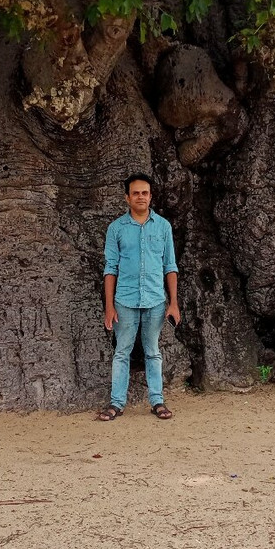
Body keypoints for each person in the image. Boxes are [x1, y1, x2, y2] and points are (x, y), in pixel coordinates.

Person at [99, 173, 180, 421]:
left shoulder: (163, 226)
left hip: (156, 300)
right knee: (121, 351)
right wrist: (109, 306)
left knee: (153, 351)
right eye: (135, 193)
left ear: (150, 196)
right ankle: (116, 403)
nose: (141, 197)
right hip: (124, 300)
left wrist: (174, 303)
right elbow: (110, 268)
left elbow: (170, 266)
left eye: (145, 192)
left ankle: (157, 401)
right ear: (127, 197)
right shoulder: (116, 229)